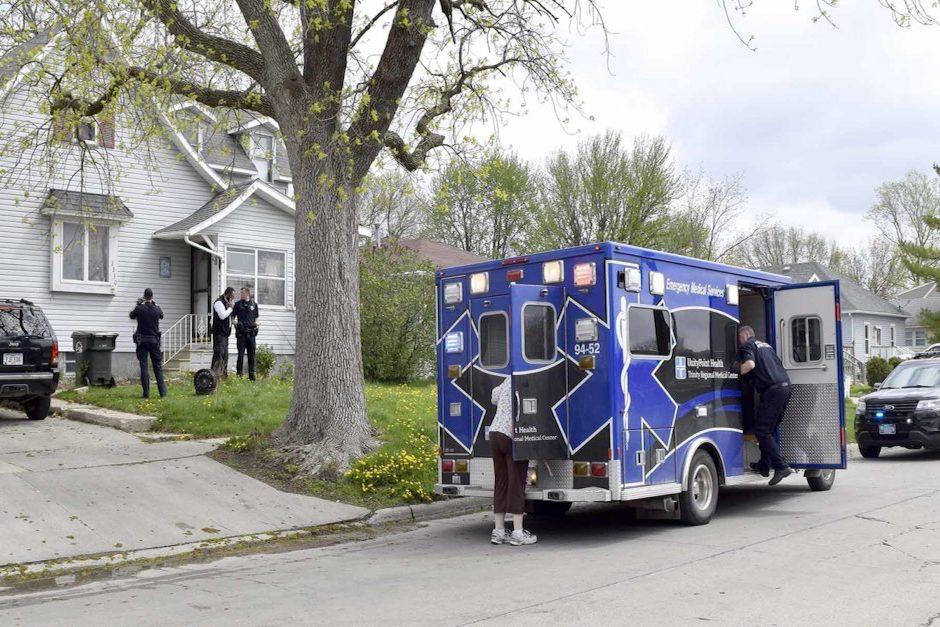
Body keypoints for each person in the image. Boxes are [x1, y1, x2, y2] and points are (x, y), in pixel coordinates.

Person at [738, 325, 794, 485]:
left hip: (773, 391)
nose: (738, 341)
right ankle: (764, 464)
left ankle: (781, 466)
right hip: (785, 388)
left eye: (739, 337)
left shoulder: (748, 345)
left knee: (762, 431)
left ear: (746, 335)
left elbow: (749, 365)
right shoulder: (766, 346)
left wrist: (733, 372)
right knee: (768, 430)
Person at [488, 377, 536, 546]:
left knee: (501, 482)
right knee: (516, 481)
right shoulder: (527, 378)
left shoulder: (508, 379)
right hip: (511, 433)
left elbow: (494, 397)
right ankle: (517, 532)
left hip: (494, 432)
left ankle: (499, 531)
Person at [129, 288, 167, 399]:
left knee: (144, 367)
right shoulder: (156, 309)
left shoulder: (139, 308)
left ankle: (146, 393)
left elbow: (131, 315)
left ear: (144, 296)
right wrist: (155, 304)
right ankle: (162, 393)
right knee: (158, 367)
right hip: (154, 341)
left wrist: (138, 304)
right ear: (152, 296)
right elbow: (162, 315)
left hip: (142, 341)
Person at [232, 286, 260, 381]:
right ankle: (239, 375)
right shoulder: (238, 304)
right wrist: (236, 324)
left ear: (247, 293)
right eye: (241, 293)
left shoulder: (254, 304)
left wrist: (257, 324)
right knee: (240, 355)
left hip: (251, 334)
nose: (241, 295)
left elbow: (256, 318)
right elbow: (232, 318)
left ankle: (252, 377)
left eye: (243, 293)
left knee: (251, 355)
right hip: (241, 334)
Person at [211, 287, 236, 379]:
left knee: (225, 355)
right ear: (228, 295)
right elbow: (222, 316)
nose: (234, 298)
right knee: (219, 354)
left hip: (225, 334)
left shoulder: (227, 303)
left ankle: (223, 376)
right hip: (219, 333)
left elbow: (229, 317)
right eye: (233, 296)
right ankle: (214, 375)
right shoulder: (219, 302)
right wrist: (231, 308)